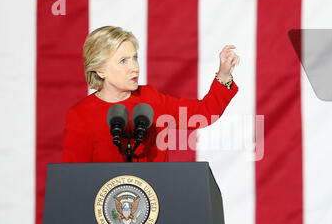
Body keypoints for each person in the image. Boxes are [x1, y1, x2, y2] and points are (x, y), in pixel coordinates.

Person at [62, 26, 240, 163]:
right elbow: (74, 179)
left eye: (135, 58)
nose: (134, 67)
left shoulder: (150, 98)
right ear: (100, 70)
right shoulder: (80, 115)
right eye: (123, 61)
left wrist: (224, 74)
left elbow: (204, 112)